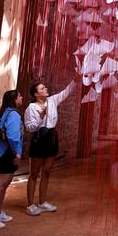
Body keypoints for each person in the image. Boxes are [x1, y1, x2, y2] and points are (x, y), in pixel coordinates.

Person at [23, 76, 78, 216]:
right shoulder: (31, 108)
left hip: (52, 138)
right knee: (34, 174)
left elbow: (66, 92)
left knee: (46, 172)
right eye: (42, 88)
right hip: (39, 139)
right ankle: (30, 205)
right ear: (36, 94)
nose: (46, 89)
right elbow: (29, 128)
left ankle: (42, 202)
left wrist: (76, 79)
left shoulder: (52, 100)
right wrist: (40, 118)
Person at [0, 89, 24, 229]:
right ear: (14, 99)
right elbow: (13, 137)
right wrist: (17, 153)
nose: (22, 98)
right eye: (19, 96)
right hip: (8, 153)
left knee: (4, 184)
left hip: (1, 152)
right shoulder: (13, 114)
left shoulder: (4, 113)